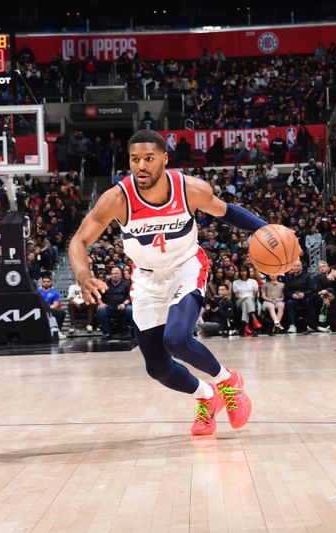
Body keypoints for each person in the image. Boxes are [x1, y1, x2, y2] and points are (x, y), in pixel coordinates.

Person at [69, 129, 264, 436]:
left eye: (148, 158)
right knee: (157, 367)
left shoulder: (189, 189)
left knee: (176, 338)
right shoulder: (117, 198)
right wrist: (84, 276)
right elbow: (79, 240)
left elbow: (229, 213)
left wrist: (267, 230)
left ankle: (227, 380)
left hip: (185, 268)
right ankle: (207, 397)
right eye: (134, 159)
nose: (141, 166)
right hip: (147, 280)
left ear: (164, 158)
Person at [95, 266, 132, 338]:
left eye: (117, 273)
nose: (114, 275)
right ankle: (107, 332)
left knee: (130, 309)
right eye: (113, 273)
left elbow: (130, 296)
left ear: (121, 275)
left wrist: (124, 304)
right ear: (110, 275)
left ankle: (125, 331)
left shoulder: (127, 283)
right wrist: (101, 303)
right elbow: (98, 295)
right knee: (100, 310)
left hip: (122, 305)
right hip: (109, 306)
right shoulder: (105, 284)